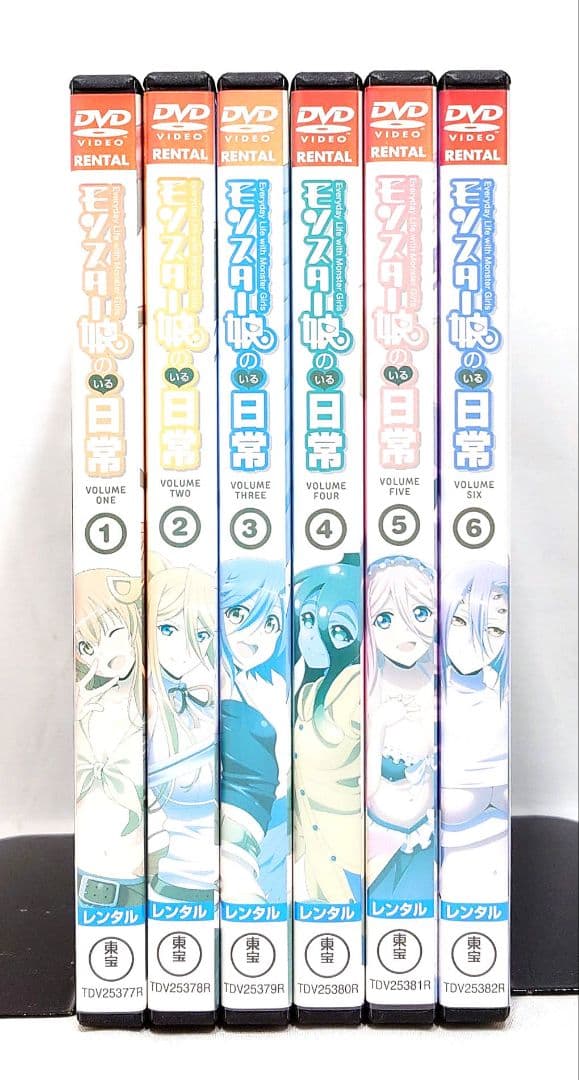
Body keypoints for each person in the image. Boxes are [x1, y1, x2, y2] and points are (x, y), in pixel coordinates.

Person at [147, 556, 218, 904]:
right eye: (166, 629)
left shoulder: (217, 703)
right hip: (169, 889)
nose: (184, 649)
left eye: (200, 634)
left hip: (233, 886)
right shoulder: (146, 714)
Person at [365, 556, 436, 902]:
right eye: (384, 619)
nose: (404, 633)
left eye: (420, 613)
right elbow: (365, 786)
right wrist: (379, 724)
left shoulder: (433, 680)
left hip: (426, 830)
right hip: (379, 837)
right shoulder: (370, 685)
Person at [293, 555, 363, 904]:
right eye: (307, 619)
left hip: (354, 857)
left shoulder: (356, 687)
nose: (313, 636)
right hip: (316, 857)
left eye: (337, 629)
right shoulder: (307, 692)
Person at [220, 558, 290, 903]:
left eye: (270, 623)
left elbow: (285, 771)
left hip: (277, 828)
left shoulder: (275, 684)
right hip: (227, 834)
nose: (253, 635)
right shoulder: (206, 683)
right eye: (237, 614)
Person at [74, 569, 144, 911]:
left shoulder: (147, 707)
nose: (100, 655)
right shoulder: (88, 706)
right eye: (87, 646)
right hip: (93, 867)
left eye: (114, 633)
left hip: (140, 868)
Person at [440, 561, 510, 899]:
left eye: (494, 630)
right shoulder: (428, 697)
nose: (474, 641)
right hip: (448, 863)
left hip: (498, 863)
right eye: (460, 620)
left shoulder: (503, 694)